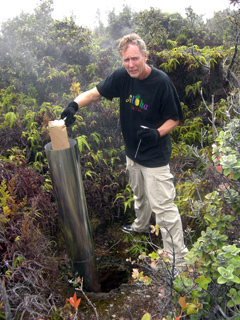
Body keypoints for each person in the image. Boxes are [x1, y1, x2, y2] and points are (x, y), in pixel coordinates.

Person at [61, 33, 188, 270]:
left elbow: (175, 118)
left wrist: (156, 133)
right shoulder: (123, 77)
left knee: (164, 207)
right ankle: (141, 226)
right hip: (133, 153)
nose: (130, 65)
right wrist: (74, 105)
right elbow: (95, 93)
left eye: (135, 59)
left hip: (155, 157)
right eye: (126, 60)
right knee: (139, 195)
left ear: (145, 56)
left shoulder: (161, 82)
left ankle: (177, 259)